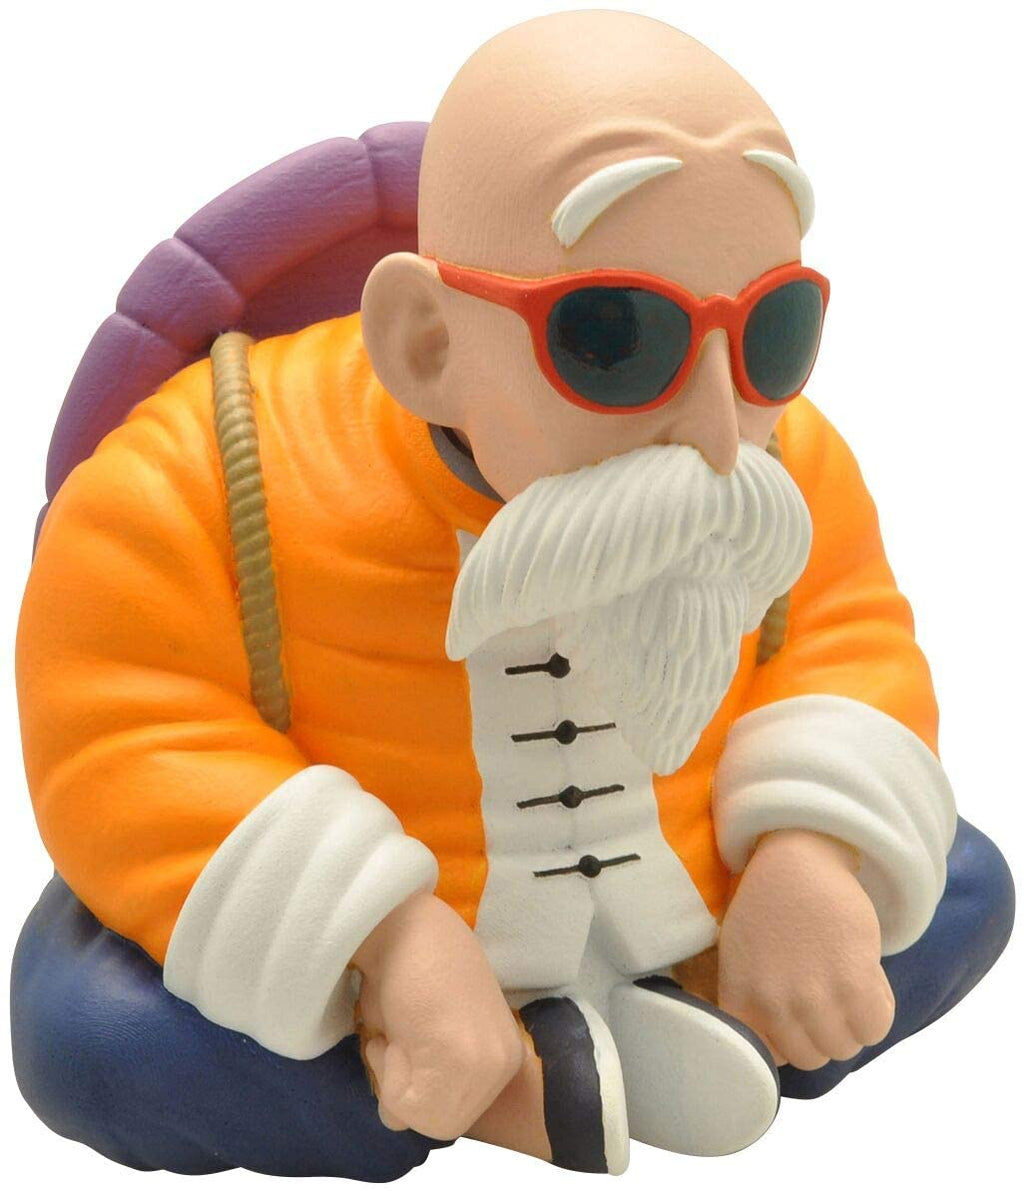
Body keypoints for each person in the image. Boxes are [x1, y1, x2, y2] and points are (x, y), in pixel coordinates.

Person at [11, 9, 1013, 1179]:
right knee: (89, 1037)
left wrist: (811, 853)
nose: (712, 430)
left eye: (772, 332)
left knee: (962, 885)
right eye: (613, 338)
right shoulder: (198, 474)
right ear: (427, 342)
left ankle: (685, 1015)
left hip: (699, 903)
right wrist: (383, 935)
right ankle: (514, 1086)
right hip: (377, 966)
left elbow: (847, 633)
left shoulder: (776, 457)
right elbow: (126, 735)